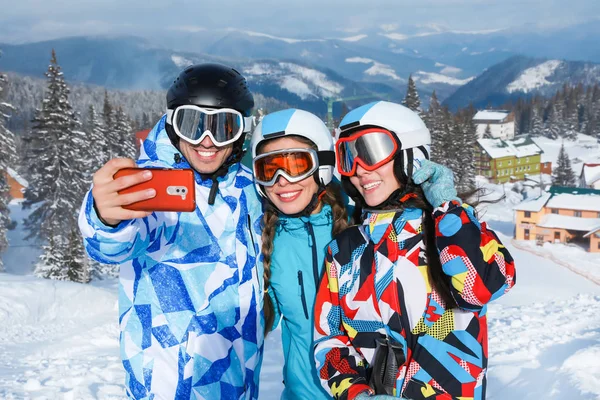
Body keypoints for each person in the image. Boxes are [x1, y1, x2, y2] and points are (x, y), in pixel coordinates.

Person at [78, 63, 264, 400]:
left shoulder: (247, 188)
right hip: (169, 386)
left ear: (241, 131)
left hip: (239, 381)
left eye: (223, 127)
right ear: (174, 124)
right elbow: (113, 243)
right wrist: (104, 216)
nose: (207, 141)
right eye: (193, 124)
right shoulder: (152, 186)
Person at [313, 101, 516, 400]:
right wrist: (356, 394)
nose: (359, 170)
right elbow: (330, 340)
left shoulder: (449, 233)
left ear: (410, 154)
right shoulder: (344, 251)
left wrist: (448, 209)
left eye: (371, 151)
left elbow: (486, 285)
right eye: (349, 156)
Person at [250, 109, 348, 400]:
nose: (282, 179)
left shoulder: (363, 227)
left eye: (296, 164)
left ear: (322, 167)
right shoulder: (267, 239)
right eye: (270, 169)